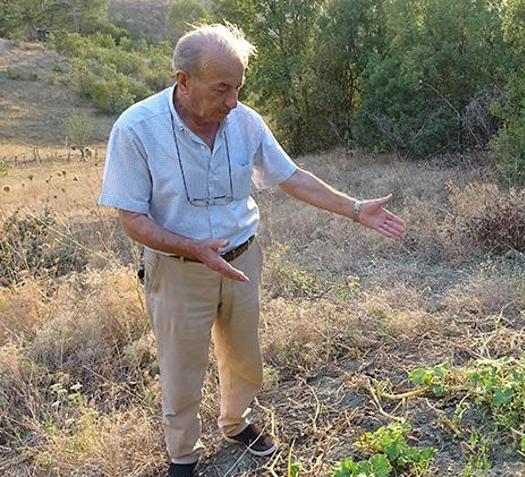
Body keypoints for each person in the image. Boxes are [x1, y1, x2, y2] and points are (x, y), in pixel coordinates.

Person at [98, 23, 406, 477]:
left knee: (243, 355)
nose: (232, 101)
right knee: (181, 369)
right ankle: (183, 455)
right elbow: (133, 220)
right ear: (184, 80)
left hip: (242, 260)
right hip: (179, 268)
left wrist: (355, 209)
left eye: (238, 87)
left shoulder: (245, 122)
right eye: (222, 88)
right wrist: (194, 248)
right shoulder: (137, 129)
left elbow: (291, 176)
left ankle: (236, 422)